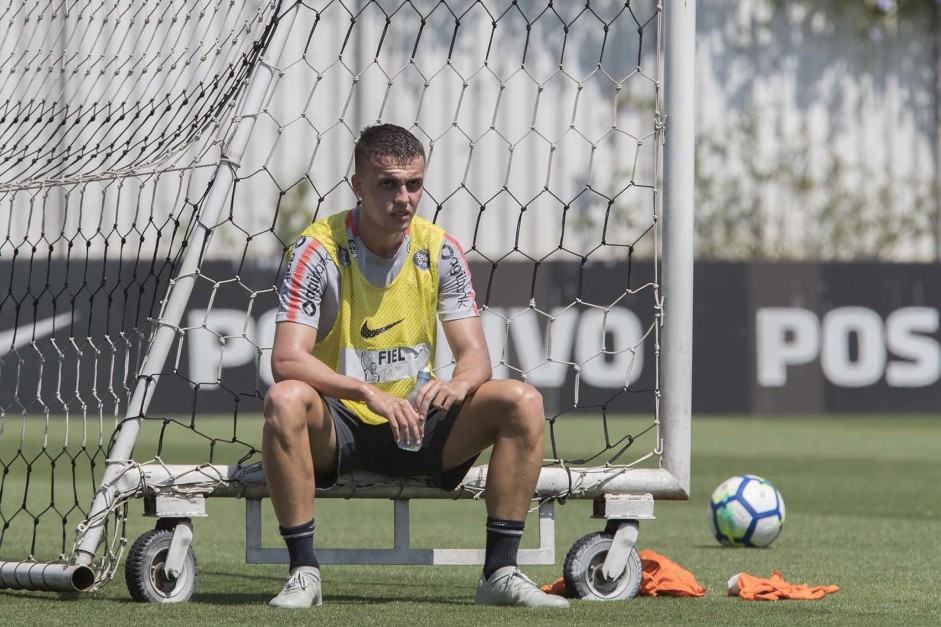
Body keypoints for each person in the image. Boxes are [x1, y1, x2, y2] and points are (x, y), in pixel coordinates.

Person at [263, 123, 568, 609]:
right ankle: (304, 572)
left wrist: (458, 385)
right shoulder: (316, 249)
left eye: (414, 184)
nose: (403, 198)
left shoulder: (440, 248)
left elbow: (476, 358)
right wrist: (366, 392)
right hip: (339, 430)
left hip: (418, 426)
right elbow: (286, 359)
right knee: (284, 400)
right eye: (387, 183)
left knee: (522, 401)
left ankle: (500, 573)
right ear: (358, 185)